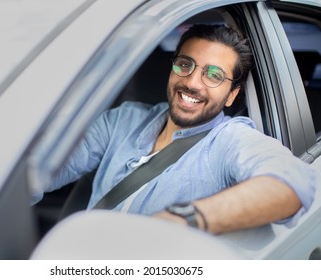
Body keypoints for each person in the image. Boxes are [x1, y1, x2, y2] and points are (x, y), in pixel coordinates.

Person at [32, 24, 317, 234]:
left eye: (214, 75)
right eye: (185, 64)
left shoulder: (231, 139)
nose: (192, 82)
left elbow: (293, 184)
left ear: (232, 95)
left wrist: (186, 219)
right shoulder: (122, 121)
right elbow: (41, 168)